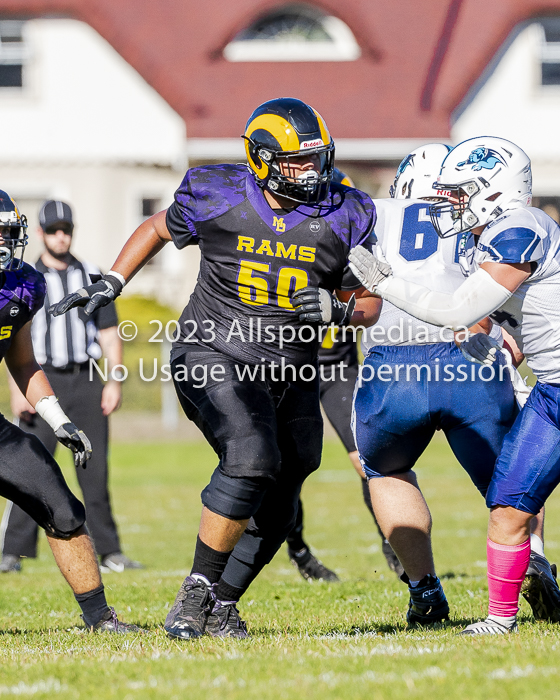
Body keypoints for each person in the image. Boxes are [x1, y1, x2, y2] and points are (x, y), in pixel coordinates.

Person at [50, 98, 380, 639]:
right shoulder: (219, 193)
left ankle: (222, 603)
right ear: (262, 159)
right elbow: (157, 227)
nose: (311, 172)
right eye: (297, 161)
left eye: (317, 159)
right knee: (251, 456)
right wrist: (114, 281)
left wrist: (341, 310)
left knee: (287, 485)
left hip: (292, 367)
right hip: (214, 349)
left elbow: (371, 301)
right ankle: (196, 591)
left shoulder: (346, 213)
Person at [349, 135, 560, 634]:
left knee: (386, 470)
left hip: (393, 363)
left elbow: (461, 309)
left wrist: (382, 283)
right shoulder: (490, 235)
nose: (450, 205)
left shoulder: (520, 229)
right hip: (496, 373)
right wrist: (506, 336)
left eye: (461, 192)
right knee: (510, 498)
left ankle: (424, 589)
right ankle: (512, 598)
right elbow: (495, 315)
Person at [0, 190, 139, 633]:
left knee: (59, 502)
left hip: (45, 400)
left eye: (8, 233)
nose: (5, 243)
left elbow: (22, 360)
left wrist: (58, 420)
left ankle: (99, 618)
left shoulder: (21, 284)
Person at [287, 168, 402, 583]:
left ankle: (396, 545)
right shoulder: (289, 240)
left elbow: (369, 309)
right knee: (285, 468)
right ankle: (299, 552)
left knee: (368, 458)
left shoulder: (355, 248)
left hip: (337, 367)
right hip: (287, 367)